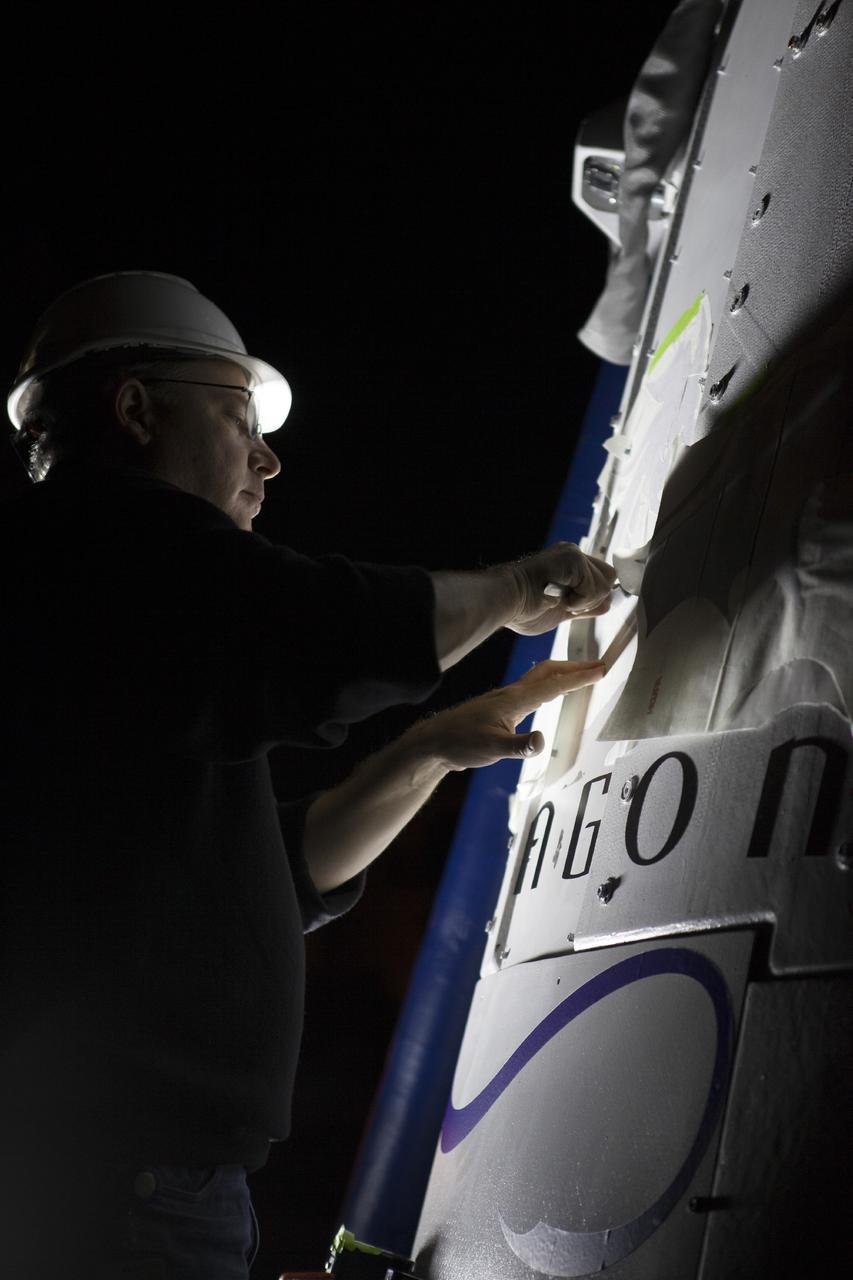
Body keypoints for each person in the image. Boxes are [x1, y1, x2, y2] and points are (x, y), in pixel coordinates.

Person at [0, 272, 615, 1280]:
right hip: (116, 1193)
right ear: (134, 409)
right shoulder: (101, 551)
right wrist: (505, 590)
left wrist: (427, 748)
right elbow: (323, 629)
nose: (267, 458)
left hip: (141, 1185)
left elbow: (272, 878)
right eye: (237, 417)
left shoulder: (113, 612)